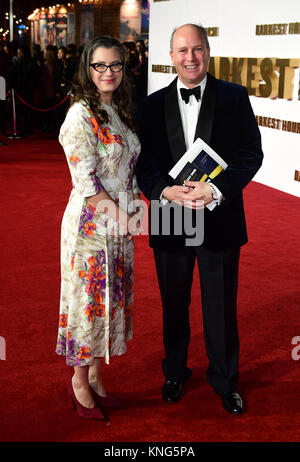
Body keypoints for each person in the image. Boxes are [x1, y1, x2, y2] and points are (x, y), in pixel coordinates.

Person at [135, 24, 263, 415]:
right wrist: (163, 192)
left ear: (208, 52)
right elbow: (144, 164)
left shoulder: (235, 97)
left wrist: (217, 188)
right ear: (171, 56)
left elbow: (250, 154)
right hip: (171, 217)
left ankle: (225, 380)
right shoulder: (151, 105)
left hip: (220, 217)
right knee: (174, 302)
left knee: (221, 305)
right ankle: (174, 371)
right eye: (182, 50)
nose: (190, 58)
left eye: (197, 50)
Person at [56, 36, 141, 420]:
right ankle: (78, 381)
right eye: (100, 66)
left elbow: (128, 168)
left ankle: (95, 375)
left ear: (125, 68)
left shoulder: (117, 109)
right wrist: (124, 218)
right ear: (87, 70)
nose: (108, 73)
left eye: (116, 66)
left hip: (119, 226)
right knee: (88, 306)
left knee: (109, 303)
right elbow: (87, 183)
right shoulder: (79, 115)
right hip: (92, 228)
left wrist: (135, 207)